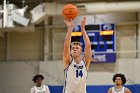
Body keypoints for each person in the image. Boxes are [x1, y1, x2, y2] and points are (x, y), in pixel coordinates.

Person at [63, 17, 93, 93]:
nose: (74, 49)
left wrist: (83, 29)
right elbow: (66, 45)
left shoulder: (85, 62)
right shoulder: (68, 61)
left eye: (77, 48)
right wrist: (70, 29)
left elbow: (88, 45)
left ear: (81, 51)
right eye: (72, 48)